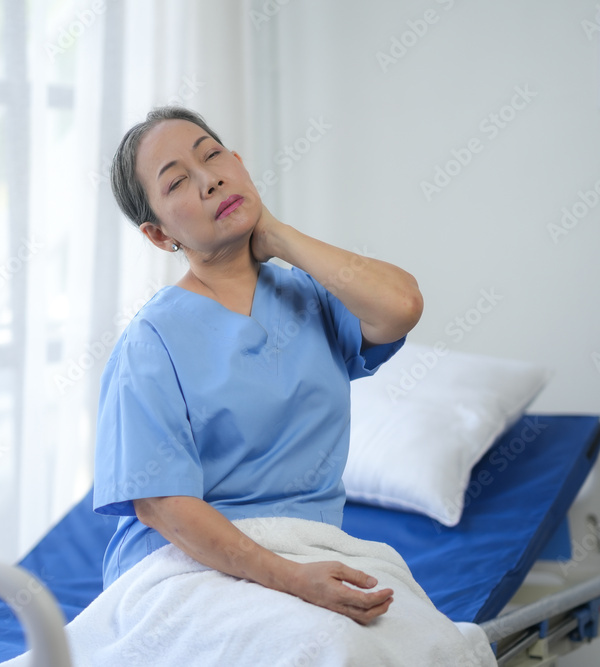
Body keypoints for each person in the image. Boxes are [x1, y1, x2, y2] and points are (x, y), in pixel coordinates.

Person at [91, 105, 425, 626]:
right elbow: (161, 506)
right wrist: (292, 580)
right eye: (177, 181)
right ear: (158, 235)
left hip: (311, 549)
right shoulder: (152, 340)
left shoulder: (312, 298)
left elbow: (401, 306)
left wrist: (278, 234)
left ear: (239, 164)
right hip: (187, 567)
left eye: (212, 156)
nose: (209, 180)